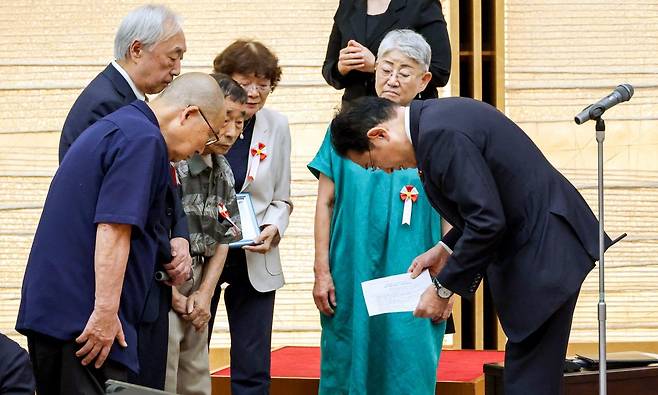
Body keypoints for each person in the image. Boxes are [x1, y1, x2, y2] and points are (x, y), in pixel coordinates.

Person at [329, 96, 612, 394]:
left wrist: (443, 289)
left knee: (530, 377)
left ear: (378, 135)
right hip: (547, 243)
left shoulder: (438, 136)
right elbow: (486, 204)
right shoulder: (437, 119)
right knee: (531, 372)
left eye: (373, 164)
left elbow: (487, 221)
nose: (386, 171)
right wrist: (445, 248)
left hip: (543, 249)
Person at [16, 73, 225, 395]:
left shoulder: (122, 125)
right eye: (209, 137)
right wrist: (104, 314)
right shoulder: (143, 140)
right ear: (189, 114)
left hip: (59, 312)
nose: (202, 149)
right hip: (86, 323)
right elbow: (113, 228)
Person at [309, 30, 451, 394]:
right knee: (348, 362)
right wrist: (321, 271)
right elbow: (324, 202)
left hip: (413, 269)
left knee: (409, 362)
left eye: (405, 72)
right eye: (386, 68)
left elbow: (457, 215)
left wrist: (450, 283)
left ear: (424, 81)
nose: (392, 79)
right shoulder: (346, 127)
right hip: (350, 264)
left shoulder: (435, 131)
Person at [57, 5, 191, 388]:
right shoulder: (105, 106)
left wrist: (179, 233)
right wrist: (167, 248)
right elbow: (114, 211)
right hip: (110, 290)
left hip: (142, 285)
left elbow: (166, 183)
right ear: (137, 50)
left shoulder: (138, 107)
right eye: (173, 57)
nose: (177, 70)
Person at [209, 40, 292, 394]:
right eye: (246, 82)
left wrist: (275, 227)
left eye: (265, 83)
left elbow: (282, 197)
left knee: (253, 363)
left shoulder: (277, 125)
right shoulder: (203, 115)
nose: (255, 92)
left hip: (256, 252)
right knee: (192, 354)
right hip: (206, 250)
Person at [165, 74, 247, 395]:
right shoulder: (175, 163)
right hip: (168, 278)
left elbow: (225, 235)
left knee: (197, 376)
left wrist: (206, 293)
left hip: (202, 279)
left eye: (241, 123)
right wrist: (175, 296)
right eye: (225, 119)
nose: (230, 131)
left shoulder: (223, 168)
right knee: (165, 373)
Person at [322, 0, 451, 104]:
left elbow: (441, 72)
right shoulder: (348, 4)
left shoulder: (423, 4)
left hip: (405, 116)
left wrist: (376, 66)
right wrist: (341, 68)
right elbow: (329, 69)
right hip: (356, 116)